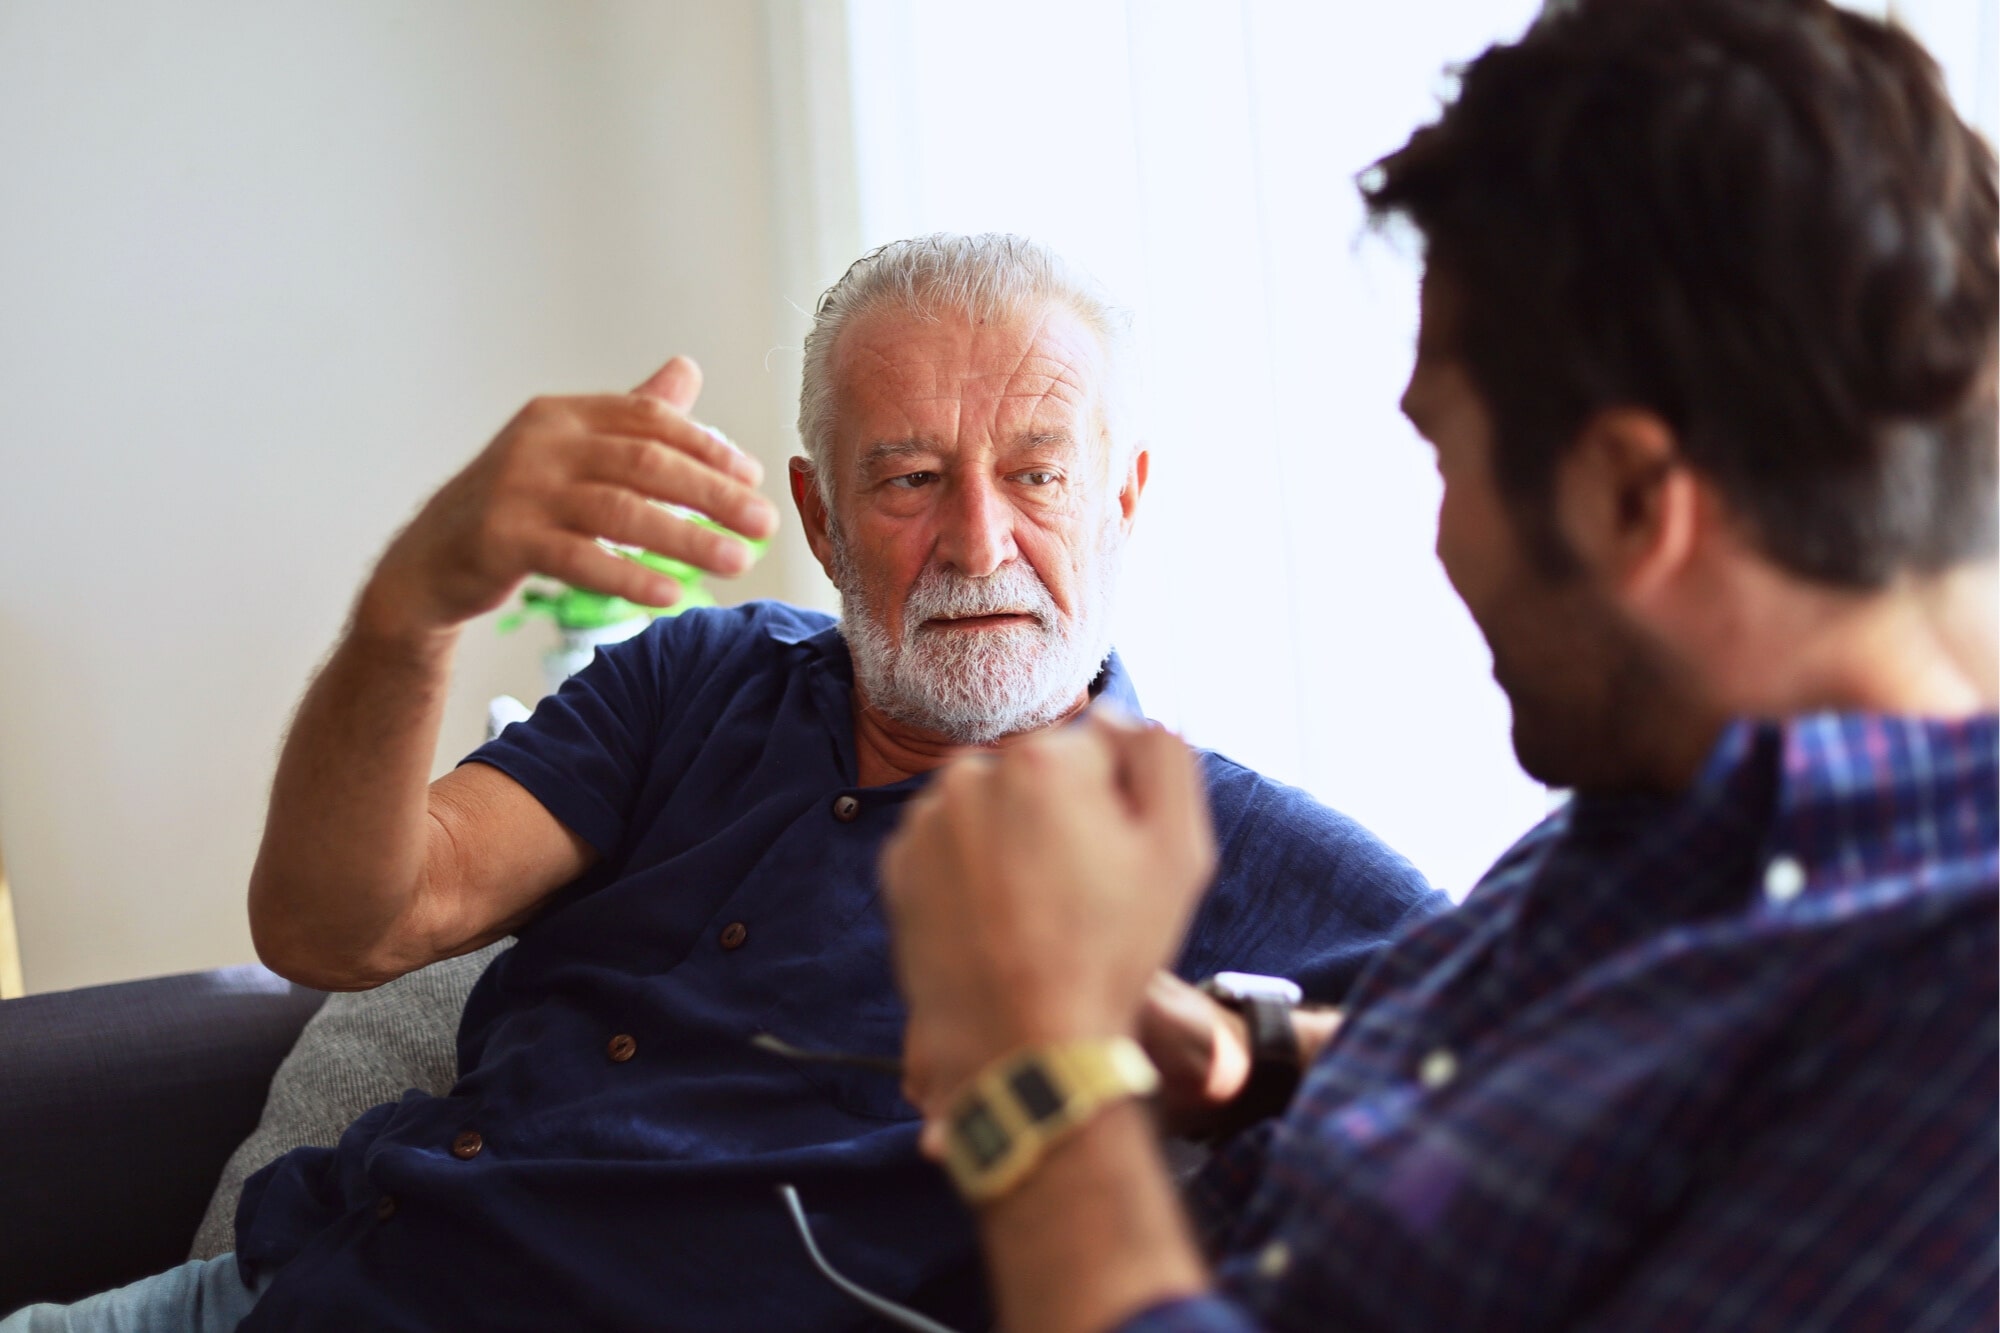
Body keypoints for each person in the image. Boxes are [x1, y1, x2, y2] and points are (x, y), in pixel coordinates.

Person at [0, 235, 1440, 1332]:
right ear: (817, 515)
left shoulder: (1216, 845)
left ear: (1123, 497)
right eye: (909, 478)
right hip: (286, 1290)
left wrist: (1245, 1038)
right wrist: (414, 607)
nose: (979, 540)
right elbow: (340, 928)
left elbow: (1507, 1034)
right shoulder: (702, 676)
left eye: (1041, 475)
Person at [878, 4, 1999, 1331]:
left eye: (1444, 454)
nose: (1443, 535)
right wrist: (1259, 1055)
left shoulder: (1958, 1028)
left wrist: (1041, 1066)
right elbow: (1630, 1095)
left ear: (1637, 501)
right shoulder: (1674, 796)